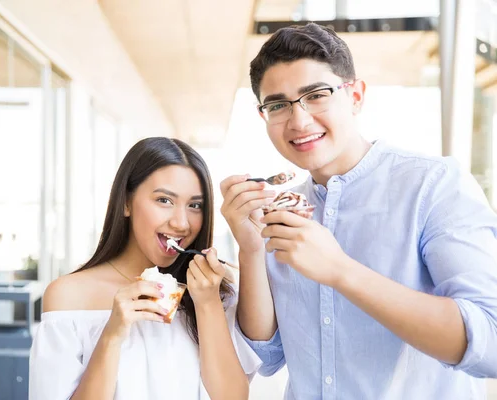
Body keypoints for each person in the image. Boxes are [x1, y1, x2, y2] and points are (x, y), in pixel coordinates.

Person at [220, 22, 497, 399]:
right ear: (264, 115)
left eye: (316, 95)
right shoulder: (284, 210)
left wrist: (340, 270)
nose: (298, 120)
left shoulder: (433, 185)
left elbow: (490, 342)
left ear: (356, 96)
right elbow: (267, 356)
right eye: (278, 104)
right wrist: (251, 248)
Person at [30, 137, 260, 400]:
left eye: (195, 205)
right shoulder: (68, 296)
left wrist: (207, 304)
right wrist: (112, 334)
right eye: (164, 200)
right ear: (126, 202)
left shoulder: (212, 290)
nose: (181, 223)